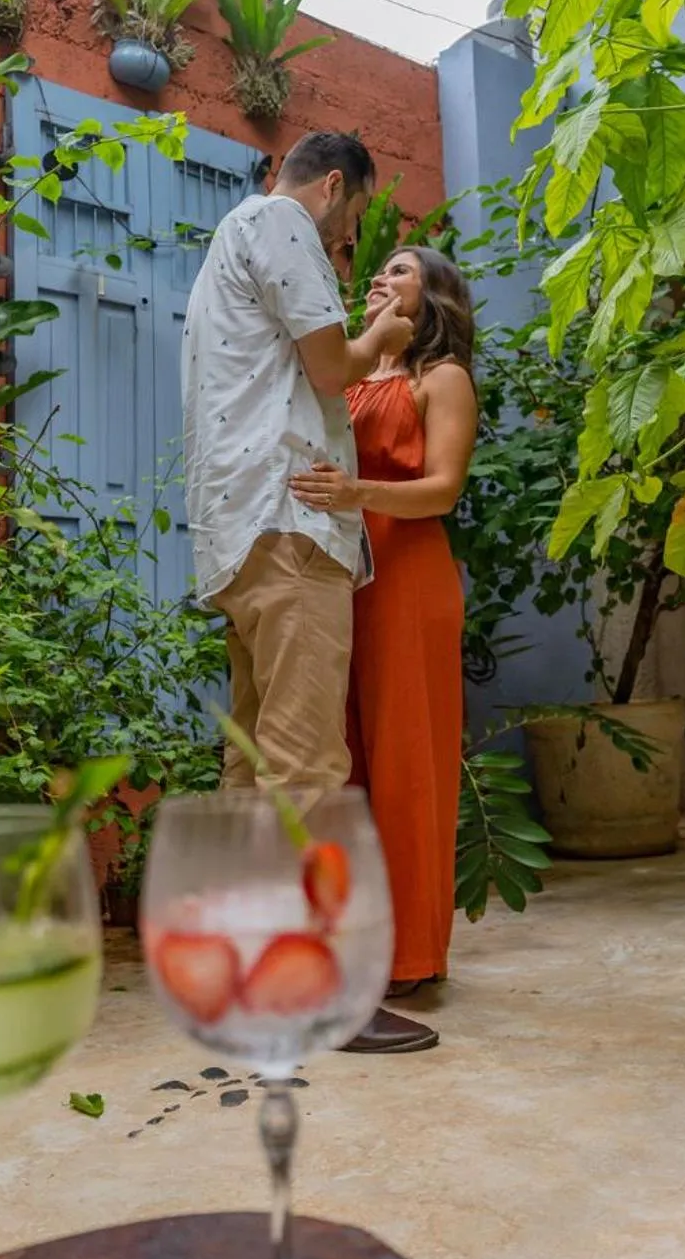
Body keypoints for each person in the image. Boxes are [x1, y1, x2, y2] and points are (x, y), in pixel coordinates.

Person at [181, 131, 413, 799]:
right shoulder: (281, 221)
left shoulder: (232, 239)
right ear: (333, 186)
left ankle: (241, 905)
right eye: (357, 215)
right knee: (303, 767)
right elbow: (330, 367)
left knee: (252, 764)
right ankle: (297, 909)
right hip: (289, 521)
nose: (351, 236)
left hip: (243, 525)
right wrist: (382, 338)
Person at [290, 245, 478, 1052]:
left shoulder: (443, 380)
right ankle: (351, 943)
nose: (379, 276)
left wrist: (357, 492)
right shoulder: (353, 377)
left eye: (399, 269)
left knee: (405, 761)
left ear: (432, 294)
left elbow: (441, 491)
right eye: (378, 270)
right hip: (341, 575)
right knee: (345, 762)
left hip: (407, 579)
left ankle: (408, 955)